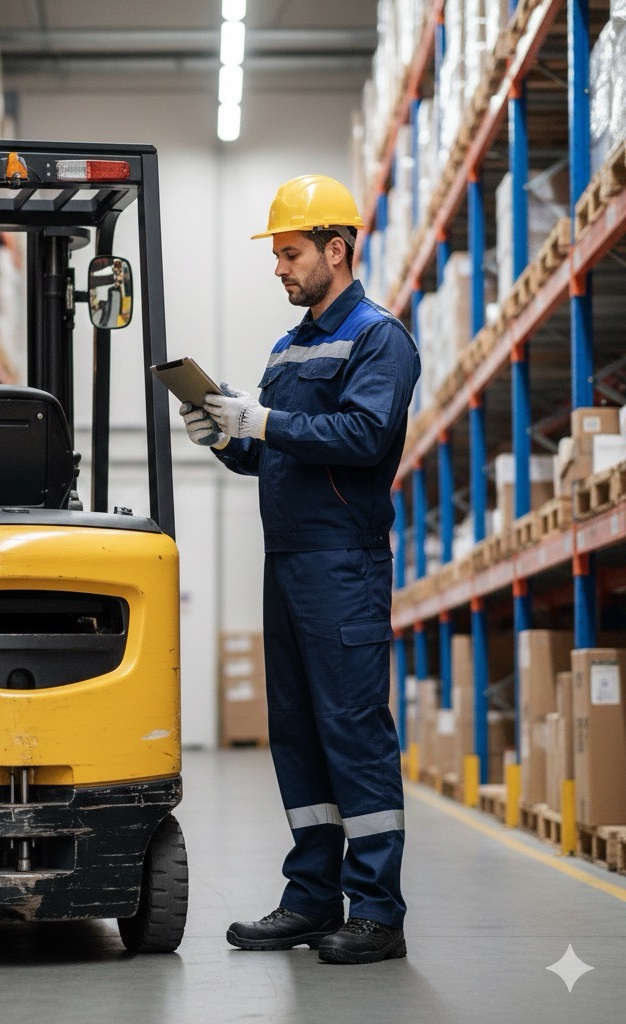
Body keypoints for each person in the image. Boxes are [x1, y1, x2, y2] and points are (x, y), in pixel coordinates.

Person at [181, 174, 420, 965]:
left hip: (342, 566)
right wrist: (223, 431)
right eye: (277, 254)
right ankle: (313, 898)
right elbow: (269, 454)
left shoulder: (380, 339)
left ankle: (377, 912)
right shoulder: (289, 347)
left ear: (337, 250)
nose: (279, 268)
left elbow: (358, 437)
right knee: (298, 736)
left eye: (290, 253)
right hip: (285, 565)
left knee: (353, 732)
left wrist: (268, 418)